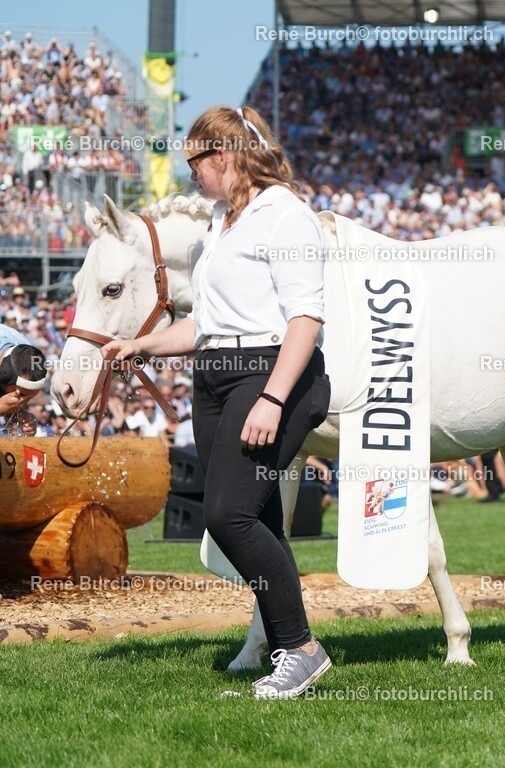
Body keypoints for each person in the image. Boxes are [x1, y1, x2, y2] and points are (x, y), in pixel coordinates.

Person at [102, 105, 332, 699]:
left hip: (269, 372)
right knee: (256, 518)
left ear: (223, 156)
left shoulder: (287, 216)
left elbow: (305, 319)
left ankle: (303, 650)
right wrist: (142, 345)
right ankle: (287, 649)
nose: (192, 175)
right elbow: (204, 323)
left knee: (228, 516)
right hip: (216, 375)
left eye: (196, 163)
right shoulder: (220, 220)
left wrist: (273, 398)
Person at [0, 323, 48, 428]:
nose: (19, 401)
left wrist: (19, 414)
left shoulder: (28, 352)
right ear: (5, 375)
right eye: (20, 396)